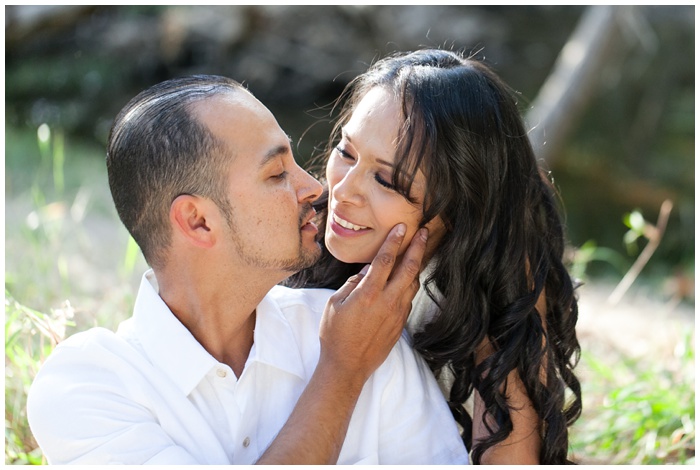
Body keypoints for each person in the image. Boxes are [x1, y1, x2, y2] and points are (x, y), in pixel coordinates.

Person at [26, 75, 469, 465]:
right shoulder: (89, 385)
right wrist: (342, 374)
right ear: (198, 221)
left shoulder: (361, 331)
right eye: (277, 174)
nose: (315, 188)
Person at [287, 48, 583, 464]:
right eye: (346, 151)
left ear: (461, 206)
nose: (343, 190)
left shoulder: (489, 281)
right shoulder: (300, 229)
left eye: (387, 180)